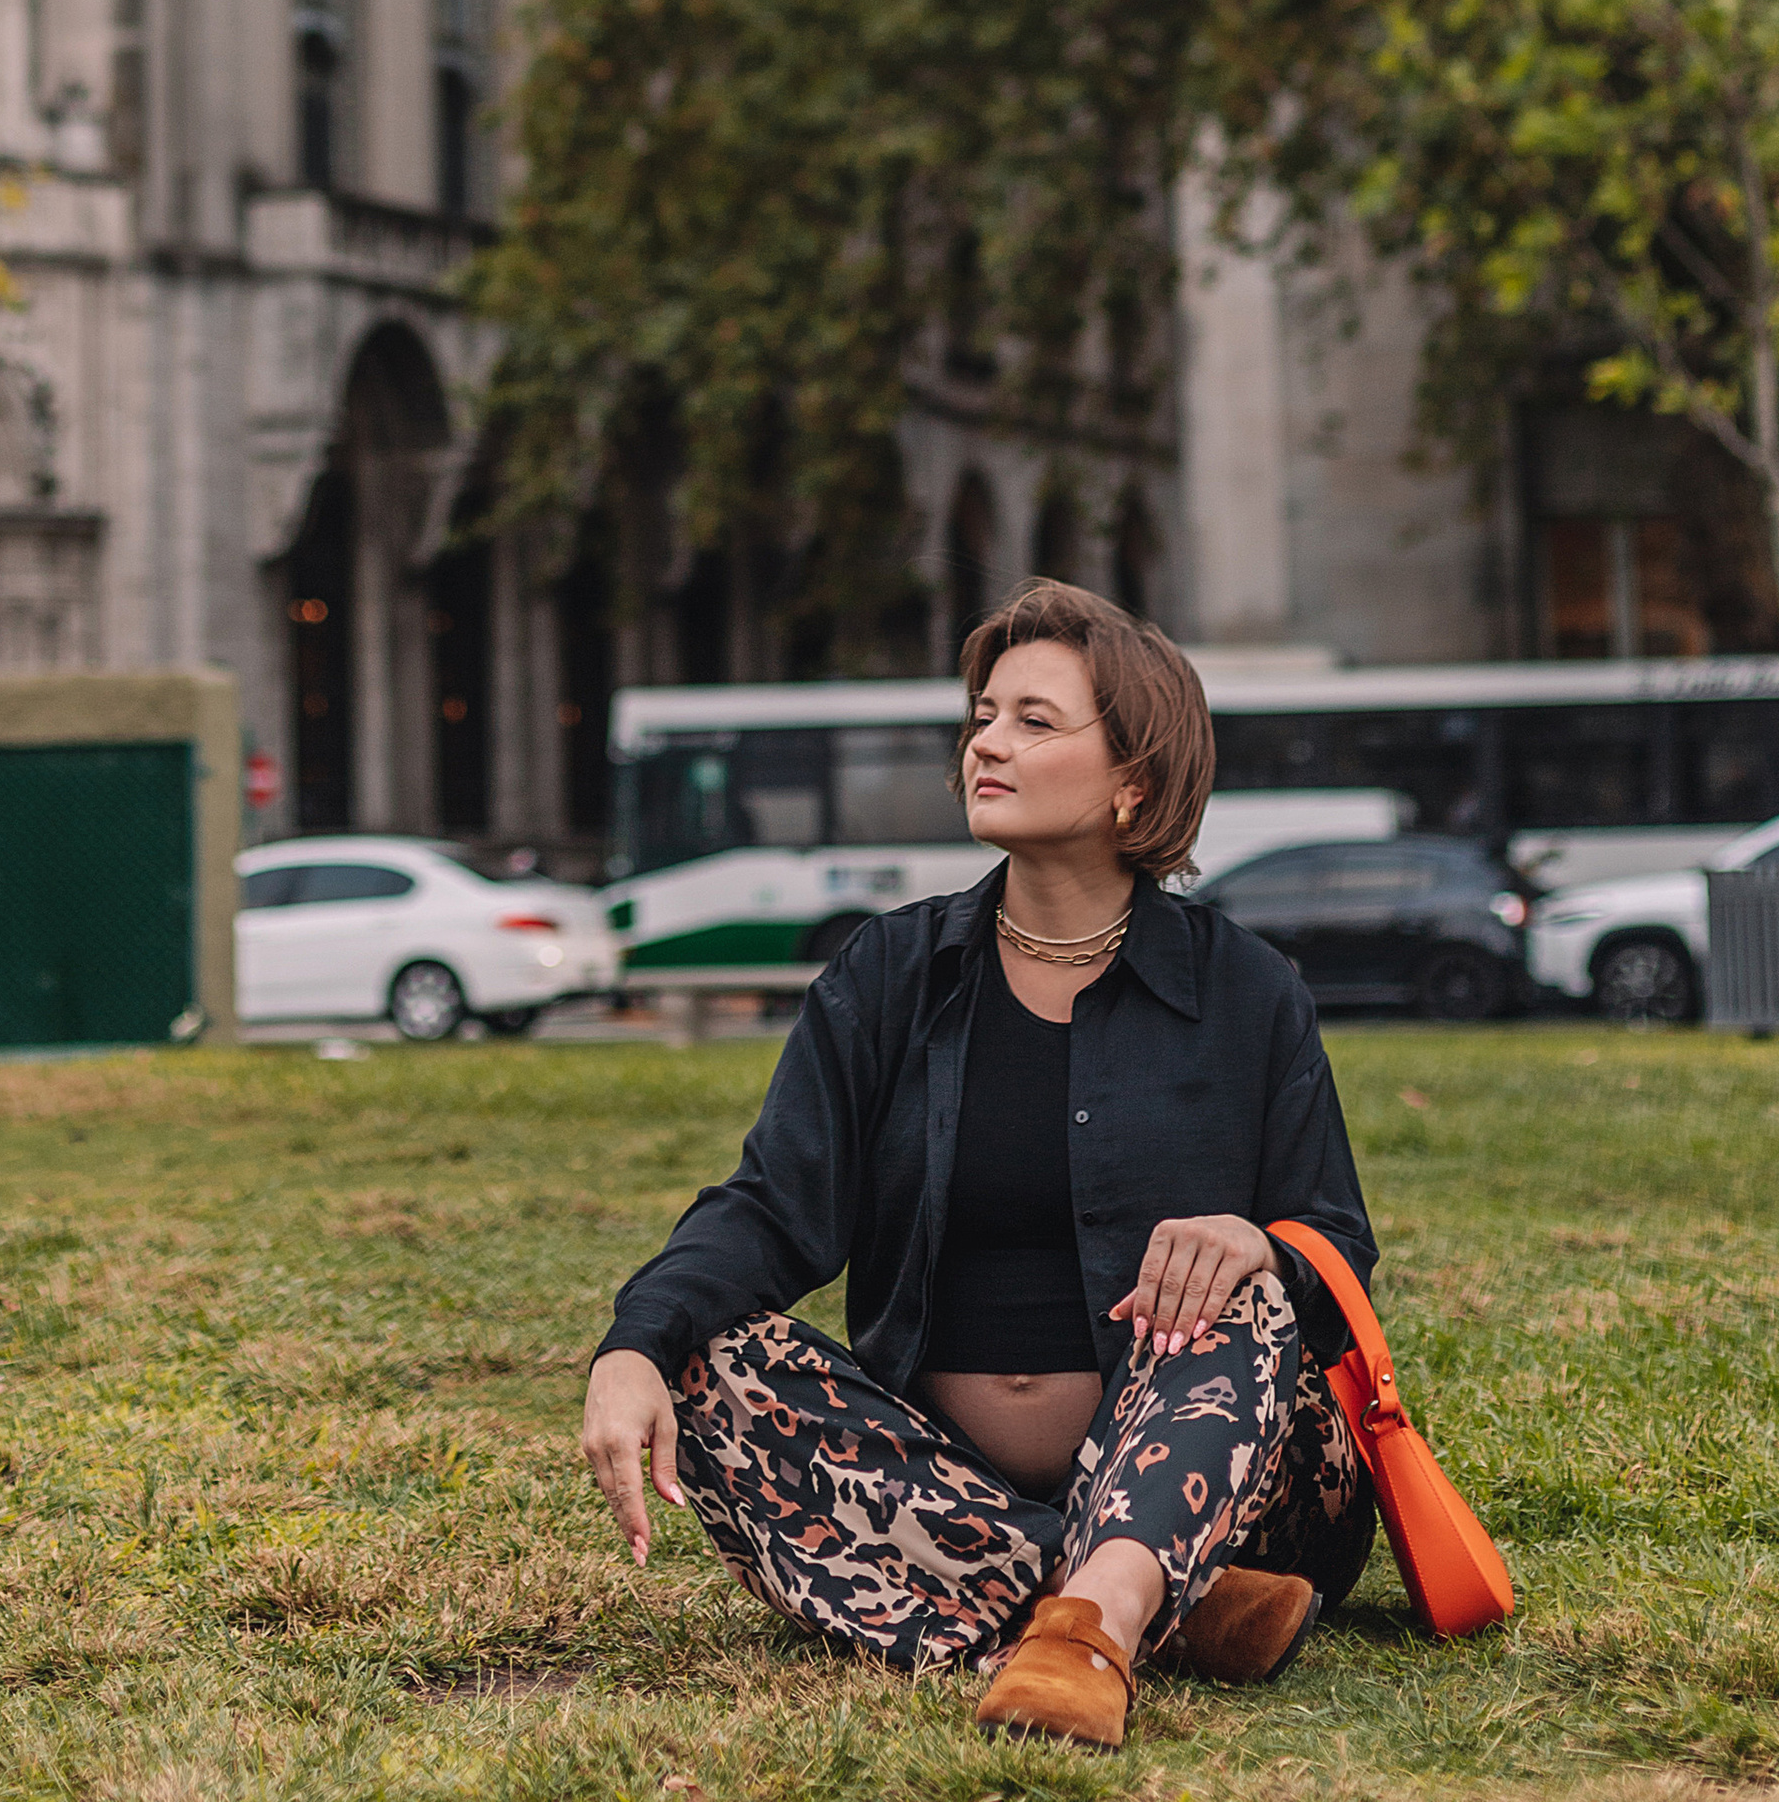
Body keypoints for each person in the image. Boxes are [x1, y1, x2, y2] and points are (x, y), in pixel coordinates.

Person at [579, 582, 1380, 1752]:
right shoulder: (890, 974)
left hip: (1242, 1489)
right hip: (940, 1476)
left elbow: (1333, 1240)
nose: (986, 744)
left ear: (1134, 782)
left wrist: (1253, 1241)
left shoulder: (1246, 991)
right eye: (982, 715)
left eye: (1034, 721)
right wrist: (634, 1343)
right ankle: (1166, 1610)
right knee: (712, 1360)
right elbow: (770, 1209)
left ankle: (1099, 1622)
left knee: (1235, 1283)